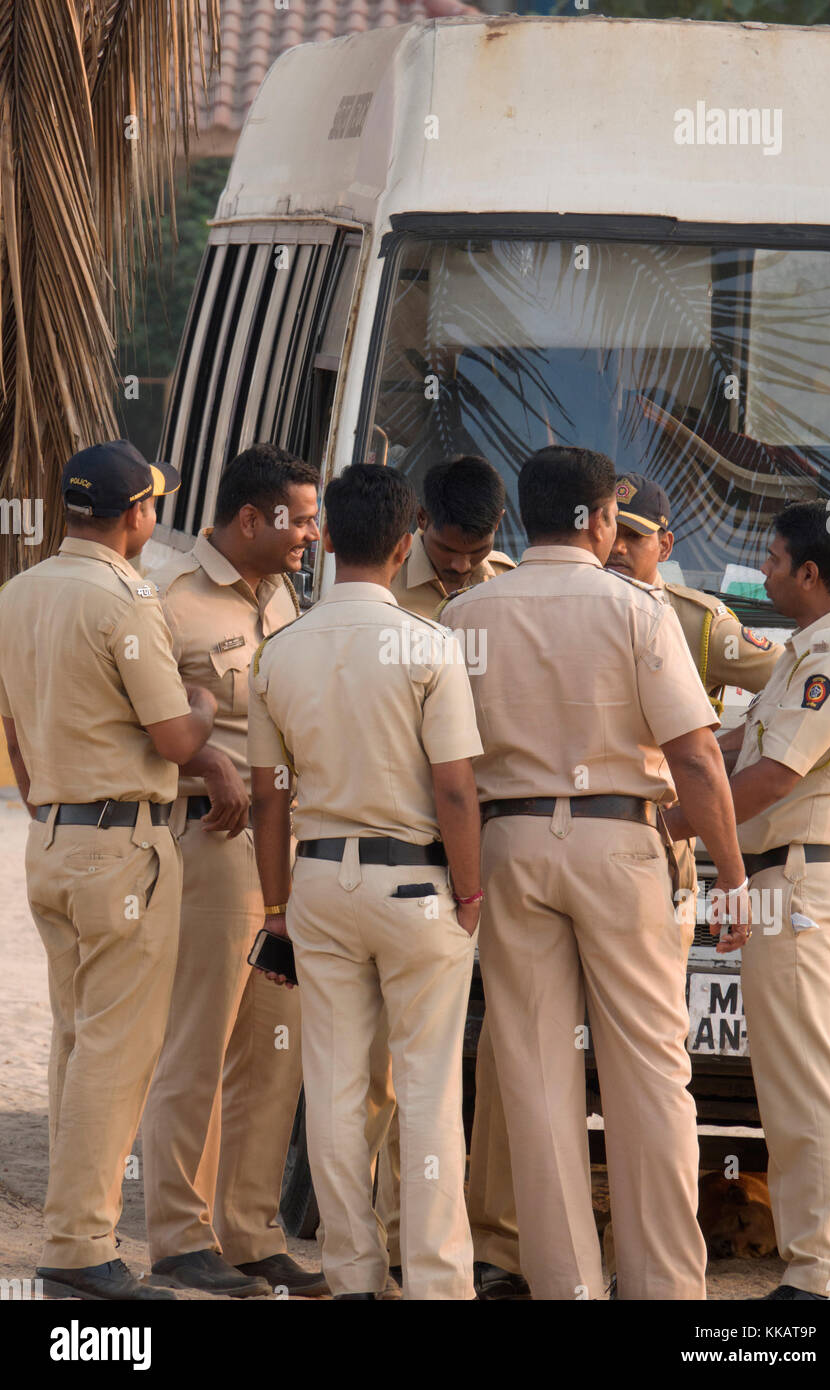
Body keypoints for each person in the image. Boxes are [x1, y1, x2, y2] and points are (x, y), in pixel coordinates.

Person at [443, 445, 750, 1300]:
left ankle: (566, 1285)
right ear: (602, 520)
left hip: (508, 845)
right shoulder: (640, 611)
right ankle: (661, 1289)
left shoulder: (467, 614)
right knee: (650, 1073)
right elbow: (695, 755)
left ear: (521, 518)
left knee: (535, 1077)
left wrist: (466, 882)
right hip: (621, 844)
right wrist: (730, 872)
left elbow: (450, 772)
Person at [248, 463, 483, 1300]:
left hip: (316, 886)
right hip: (419, 888)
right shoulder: (430, 647)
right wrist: (470, 891)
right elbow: (455, 786)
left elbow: (269, 800)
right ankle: (436, 1281)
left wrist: (275, 910)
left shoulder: (278, 652)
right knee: (426, 1086)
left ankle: (351, 1274)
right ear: (406, 538)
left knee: (337, 1086)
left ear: (330, 541)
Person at [0, 440, 216, 1301]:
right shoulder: (126, 599)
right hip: (121, 846)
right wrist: (201, 703)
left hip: (49, 838)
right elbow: (175, 739)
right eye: (152, 507)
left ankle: (68, 1230)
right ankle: (82, 1245)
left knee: (75, 1039)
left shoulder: (18, 593)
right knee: (114, 1055)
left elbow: (15, 734)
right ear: (134, 514)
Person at [665, 501, 830, 1302]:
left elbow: (772, 775)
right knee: (817, 1081)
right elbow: (737, 745)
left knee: (805, 1086)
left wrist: (672, 825)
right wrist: (662, 779)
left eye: (776, 560)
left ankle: (820, 1274)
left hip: (803, 881)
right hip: (791, 877)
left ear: (810, 574)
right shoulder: (807, 650)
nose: (766, 570)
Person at [141, 444, 326, 1298]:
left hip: (286, 848)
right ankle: (181, 1235)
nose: (312, 534)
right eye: (299, 518)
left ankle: (250, 1232)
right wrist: (206, 762)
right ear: (250, 519)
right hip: (211, 844)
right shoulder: (168, 598)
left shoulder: (286, 596)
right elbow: (137, 726)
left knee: (274, 1046)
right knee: (201, 1039)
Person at [374, 454, 525, 1299]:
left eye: (478, 551)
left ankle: (497, 1242)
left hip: (498, 844)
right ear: (418, 524)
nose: (464, 566)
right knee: (408, 1059)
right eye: (450, 550)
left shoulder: (502, 587)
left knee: (506, 1052)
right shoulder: (380, 592)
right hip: (411, 845)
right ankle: (401, 1238)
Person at [606, 471, 783, 951]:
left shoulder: (698, 624)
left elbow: (795, 682)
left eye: (634, 536)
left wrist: (732, 742)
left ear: (664, 546)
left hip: (660, 835)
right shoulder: (568, 605)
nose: (618, 548)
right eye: (611, 531)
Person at [390, 453, 514, 618]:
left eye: (477, 551)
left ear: (498, 521)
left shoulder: (509, 580)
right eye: (446, 549)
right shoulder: (385, 578)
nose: (461, 566)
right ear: (421, 517)